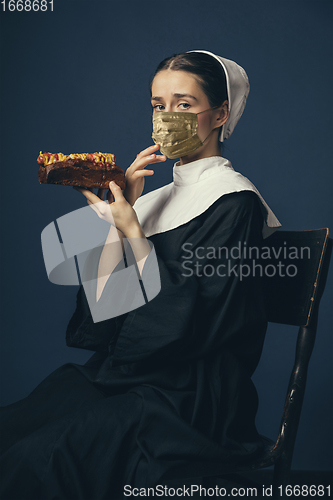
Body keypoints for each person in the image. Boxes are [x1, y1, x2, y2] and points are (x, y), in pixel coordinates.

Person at [0, 50, 280, 499]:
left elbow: (196, 324)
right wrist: (118, 225)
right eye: (158, 105)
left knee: (41, 456)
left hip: (189, 393)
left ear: (221, 113)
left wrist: (134, 232)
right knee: (13, 430)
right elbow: (108, 316)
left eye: (185, 105)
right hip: (127, 374)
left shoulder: (235, 201)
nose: (167, 117)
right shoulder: (152, 198)